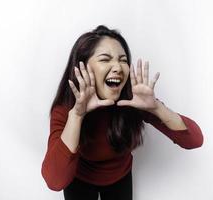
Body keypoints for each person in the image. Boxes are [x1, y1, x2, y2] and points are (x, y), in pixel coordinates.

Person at [41, 25, 204, 200]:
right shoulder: (66, 108)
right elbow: (54, 181)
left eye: (123, 60)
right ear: (82, 67)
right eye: (105, 59)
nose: (118, 67)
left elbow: (194, 140)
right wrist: (77, 116)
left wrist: (156, 107)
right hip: (79, 177)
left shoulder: (133, 100)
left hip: (119, 176)